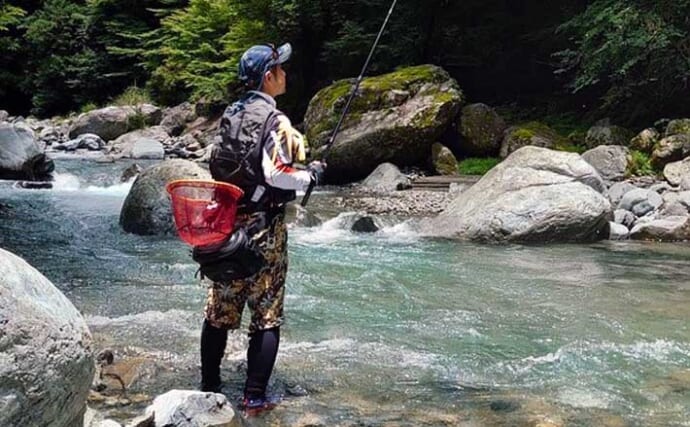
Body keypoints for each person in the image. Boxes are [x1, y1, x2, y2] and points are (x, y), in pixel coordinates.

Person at [200, 42, 326, 415]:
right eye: (281, 69)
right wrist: (311, 176)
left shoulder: (232, 112)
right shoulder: (276, 120)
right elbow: (277, 174)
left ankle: (209, 386)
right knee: (267, 313)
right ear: (268, 76)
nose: (286, 74)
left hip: (227, 225)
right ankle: (254, 397)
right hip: (263, 230)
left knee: (220, 309)